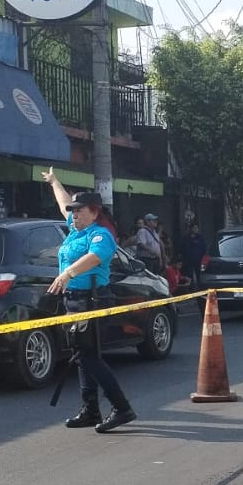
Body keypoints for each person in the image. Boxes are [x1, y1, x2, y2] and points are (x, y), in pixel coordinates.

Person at [42, 168, 136, 433]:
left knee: (90, 357)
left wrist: (69, 272)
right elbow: (63, 203)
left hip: (92, 301)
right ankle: (91, 408)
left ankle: (121, 407)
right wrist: (54, 182)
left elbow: (95, 257)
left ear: (94, 212)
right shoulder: (75, 230)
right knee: (82, 355)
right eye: (74, 211)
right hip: (74, 301)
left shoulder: (101, 234)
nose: (74, 214)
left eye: (80, 210)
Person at [181, 223, 207, 289]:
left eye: (197, 228)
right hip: (189, 259)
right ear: (191, 229)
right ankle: (191, 288)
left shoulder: (200, 237)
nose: (196, 229)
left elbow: (204, 247)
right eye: (194, 228)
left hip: (199, 259)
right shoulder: (186, 238)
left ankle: (200, 287)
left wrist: (203, 256)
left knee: (199, 274)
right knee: (190, 274)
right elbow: (183, 248)